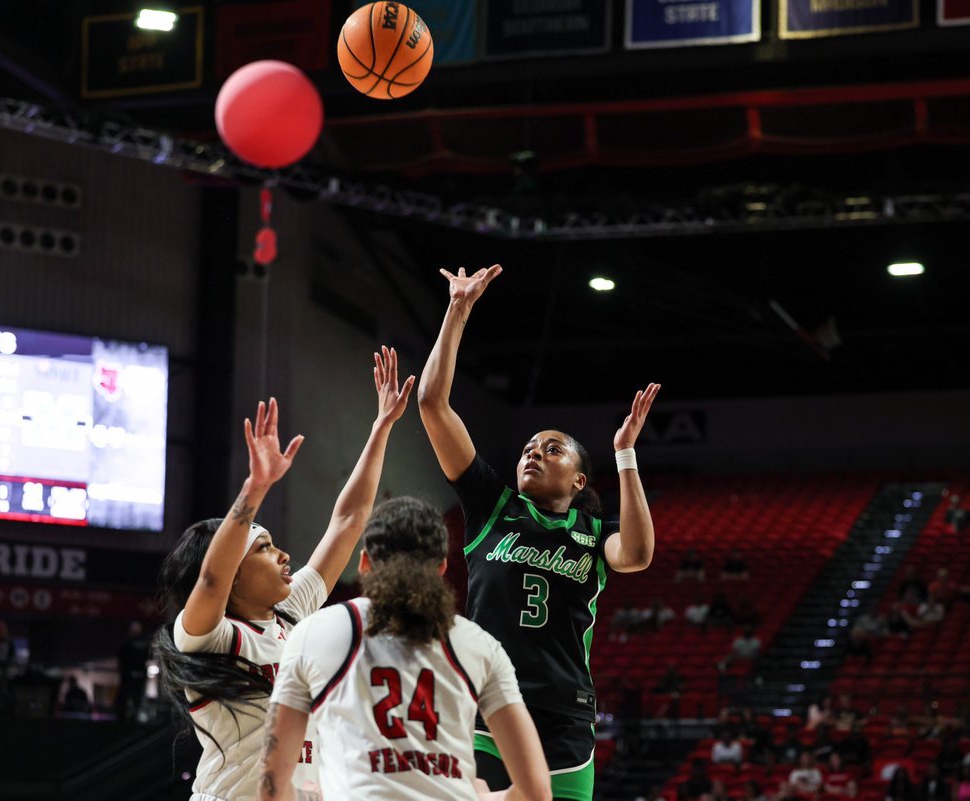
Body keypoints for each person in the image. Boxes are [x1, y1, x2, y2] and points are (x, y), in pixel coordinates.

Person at [417, 264, 660, 801]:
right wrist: (458, 310)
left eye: (552, 449)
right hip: (488, 701)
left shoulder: (596, 533)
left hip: (565, 710)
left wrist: (625, 454)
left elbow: (639, 554)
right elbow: (433, 405)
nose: (534, 452)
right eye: (529, 446)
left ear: (578, 478)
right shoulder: (489, 505)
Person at [153, 347, 413, 801]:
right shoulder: (207, 636)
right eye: (264, 547)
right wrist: (255, 488)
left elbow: (349, 522)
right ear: (232, 570)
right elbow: (210, 580)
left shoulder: (290, 614)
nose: (284, 555)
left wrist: (381, 428)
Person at [258, 497, 552, 801]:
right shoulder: (480, 644)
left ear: (364, 563)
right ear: (441, 568)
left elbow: (272, 788)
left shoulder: (314, 632)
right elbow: (537, 791)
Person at [115, 621, 151, 721]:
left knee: (136, 698)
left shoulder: (143, 646)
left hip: (138, 677)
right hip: (128, 676)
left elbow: (147, 658)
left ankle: (132, 717)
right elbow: (121, 659)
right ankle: (123, 717)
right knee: (125, 698)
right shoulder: (126, 645)